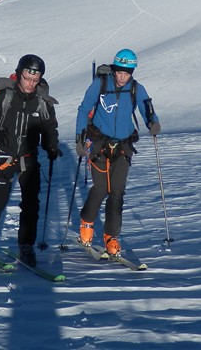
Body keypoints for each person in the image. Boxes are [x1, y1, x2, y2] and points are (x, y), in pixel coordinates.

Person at [75, 49, 160, 256]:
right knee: (101, 188)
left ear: (132, 72)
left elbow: (146, 108)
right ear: (114, 69)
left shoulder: (136, 89)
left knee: (117, 192)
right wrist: (79, 138)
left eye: (127, 72)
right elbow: (83, 109)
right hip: (99, 144)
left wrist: (153, 123)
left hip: (124, 146)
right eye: (120, 72)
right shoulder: (101, 84)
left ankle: (111, 236)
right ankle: (87, 223)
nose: (123, 76)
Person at [0, 54, 61, 266]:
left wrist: (51, 145)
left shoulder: (42, 102)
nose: (31, 83)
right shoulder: (4, 98)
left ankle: (26, 246)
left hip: (29, 158)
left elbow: (50, 128)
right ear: (19, 74)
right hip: (3, 157)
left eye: (35, 80)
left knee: (31, 204)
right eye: (27, 78)